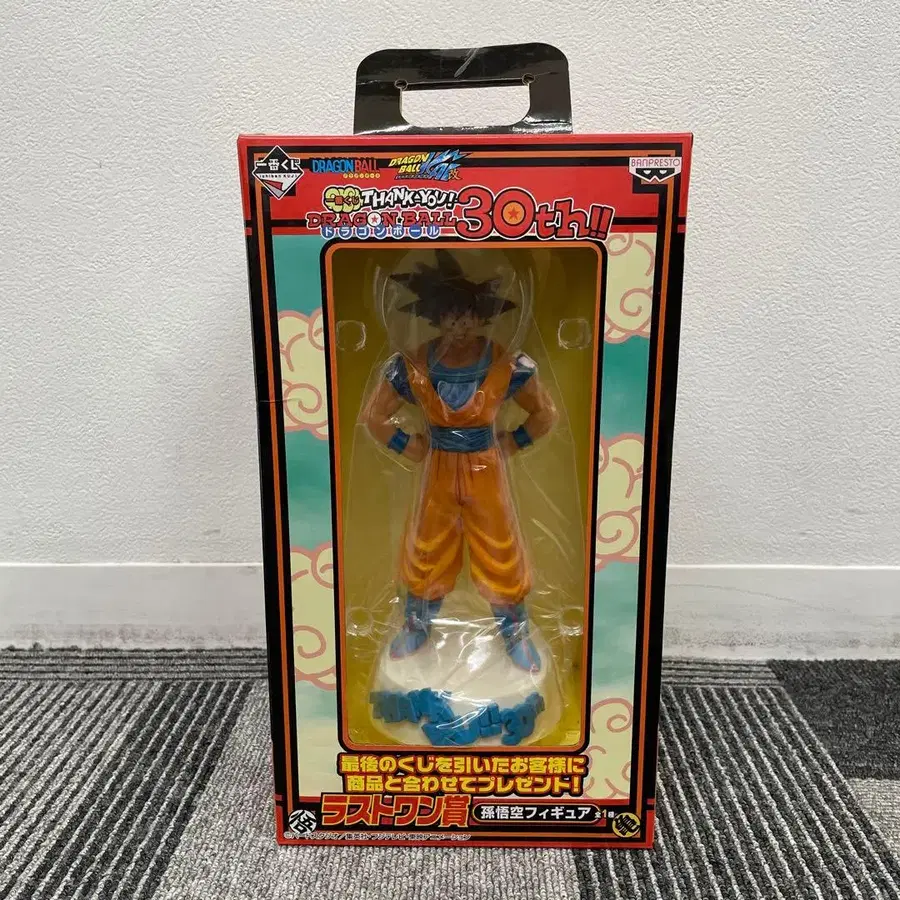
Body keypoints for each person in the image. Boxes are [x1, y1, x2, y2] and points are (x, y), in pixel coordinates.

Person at [363, 250, 557, 673]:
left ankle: (514, 631)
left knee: (500, 548)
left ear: (482, 317)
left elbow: (544, 414)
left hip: (486, 468)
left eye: (468, 316)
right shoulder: (413, 366)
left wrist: (512, 442)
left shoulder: (508, 364)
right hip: (437, 469)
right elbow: (374, 417)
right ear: (437, 318)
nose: (461, 326)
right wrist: (407, 445)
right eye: (452, 317)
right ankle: (417, 624)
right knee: (426, 547)